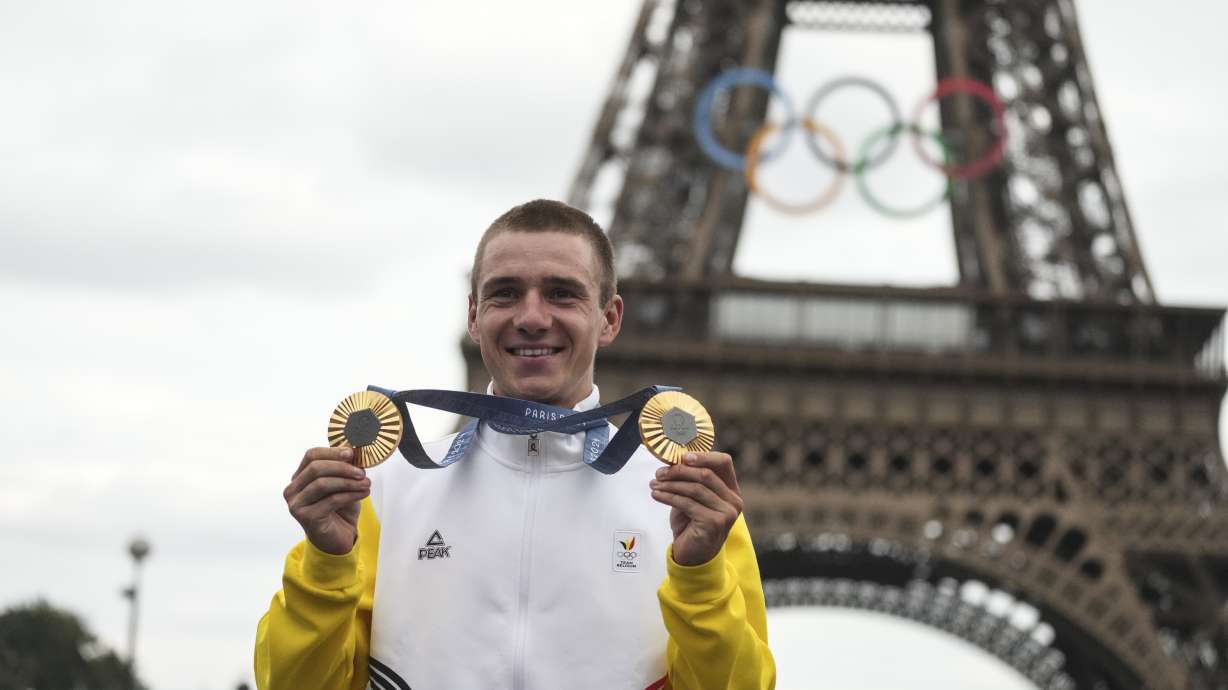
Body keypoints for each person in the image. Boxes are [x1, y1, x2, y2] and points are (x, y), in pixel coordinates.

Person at [255, 200, 775, 690]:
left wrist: (701, 578)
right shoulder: (383, 490)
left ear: (610, 318)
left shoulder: (684, 497)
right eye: (505, 292)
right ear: (474, 315)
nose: (531, 316)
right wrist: (325, 564)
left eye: (561, 293)